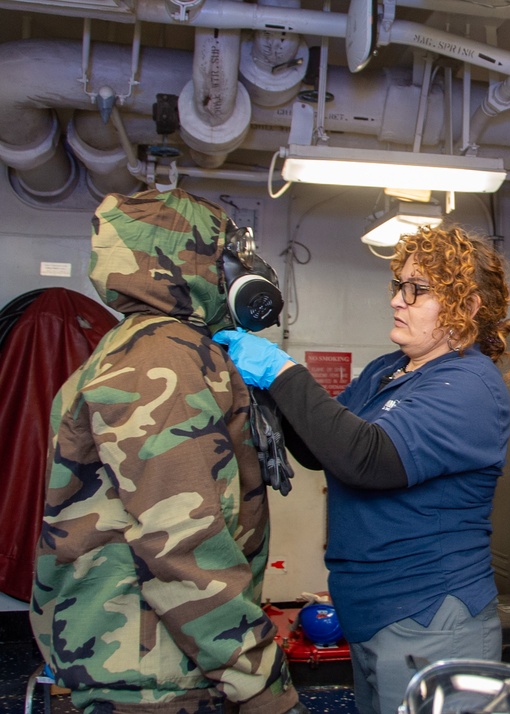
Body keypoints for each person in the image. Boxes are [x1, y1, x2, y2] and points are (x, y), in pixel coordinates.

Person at [213, 225, 510, 714]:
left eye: (418, 290)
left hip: (430, 616)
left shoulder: (470, 386)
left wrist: (282, 371)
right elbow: (322, 449)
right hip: (372, 612)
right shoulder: (388, 369)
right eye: (399, 285)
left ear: (468, 307)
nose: (399, 300)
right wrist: (269, 390)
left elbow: (364, 458)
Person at [30, 188, 305, 713]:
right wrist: (260, 683)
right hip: (158, 672)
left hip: (150, 657)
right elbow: (178, 540)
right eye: (225, 257)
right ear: (186, 260)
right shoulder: (165, 359)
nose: (236, 273)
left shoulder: (145, 345)